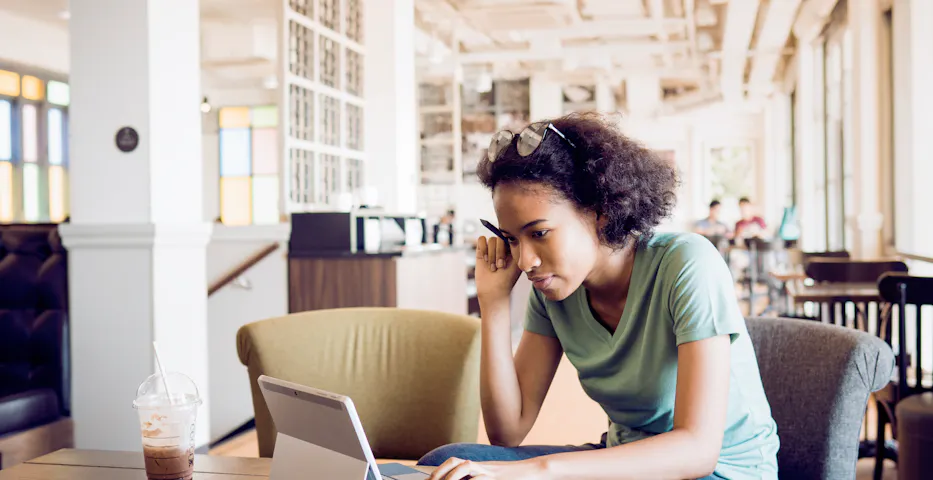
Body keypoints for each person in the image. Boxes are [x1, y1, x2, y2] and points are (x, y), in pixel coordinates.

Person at [417, 113, 779, 480]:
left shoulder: (687, 264)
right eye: (511, 238)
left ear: (600, 213)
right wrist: (493, 304)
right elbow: (508, 431)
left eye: (539, 233)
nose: (525, 260)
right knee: (448, 464)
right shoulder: (553, 291)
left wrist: (539, 471)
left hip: (719, 472)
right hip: (623, 460)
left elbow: (697, 451)